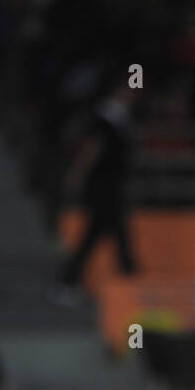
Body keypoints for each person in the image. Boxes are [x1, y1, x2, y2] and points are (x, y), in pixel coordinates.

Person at [56, 81, 139, 299]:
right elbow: (91, 148)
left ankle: (69, 279)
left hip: (112, 184)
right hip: (102, 185)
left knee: (99, 233)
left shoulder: (121, 119)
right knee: (114, 231)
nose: (132, 96)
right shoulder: (104, 118)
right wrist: (77, 174)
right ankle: (130, 277)